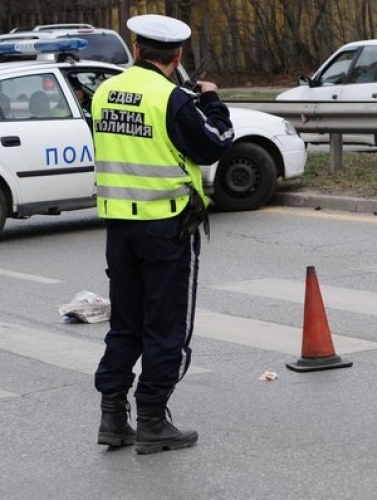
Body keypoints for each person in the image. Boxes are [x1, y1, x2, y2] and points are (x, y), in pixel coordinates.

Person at [91, 13, 234, 454]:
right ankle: (152, 419)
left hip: (119, 227)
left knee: (125, 324)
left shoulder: (104, 92)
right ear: (177, 56)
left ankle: (113, 418)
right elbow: (216, 142)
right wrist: (210, 101)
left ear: (136, 49)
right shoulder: (171, 98)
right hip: (165, 228)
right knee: (165, 326)